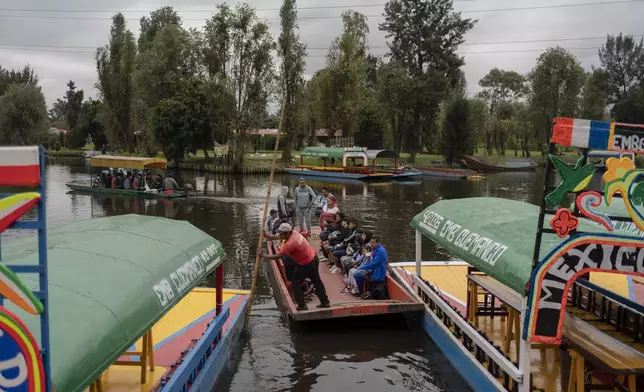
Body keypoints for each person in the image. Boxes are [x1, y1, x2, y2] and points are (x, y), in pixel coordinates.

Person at [260, 223, 330, 311]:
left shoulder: (290, 243)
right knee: (316, 281)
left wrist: (263, 255)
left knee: (295, 283)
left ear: (287, 233)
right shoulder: (294, 233)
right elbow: (277, 236)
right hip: (313, 258)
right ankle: (325, 302)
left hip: (306, 263)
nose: (280, 235)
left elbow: (277, 256)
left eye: (282, 233)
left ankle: (302, 305)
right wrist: (266, 235)